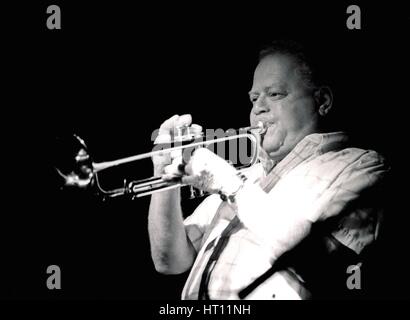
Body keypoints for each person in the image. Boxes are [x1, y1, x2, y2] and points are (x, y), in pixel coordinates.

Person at [147, 40, 389, 300]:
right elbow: (169, 261)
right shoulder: (248, 176)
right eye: (253, 98)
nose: (257, 107)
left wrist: (234, 187)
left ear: (323, 101)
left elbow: (328, 265)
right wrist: (165, 175)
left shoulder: (359, 165)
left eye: (275, 94)